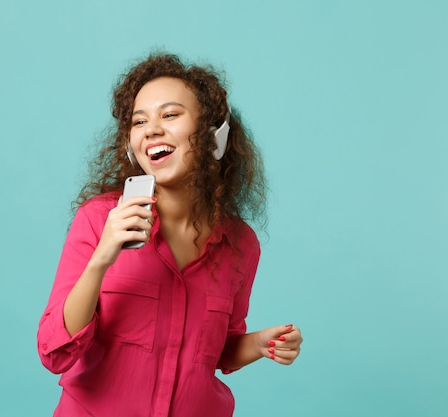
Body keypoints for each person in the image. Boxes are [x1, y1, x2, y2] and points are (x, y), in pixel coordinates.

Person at [37, 52, 303, 417]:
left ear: (214, 136)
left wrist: (258, 344)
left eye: (170, 114)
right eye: (139, 121)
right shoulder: (99, 219)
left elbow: (214, 349)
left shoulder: (240, 245)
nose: (151, 130)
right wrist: (102, 257)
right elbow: (55, 352)